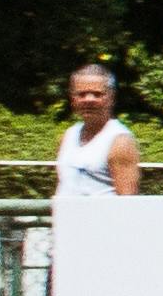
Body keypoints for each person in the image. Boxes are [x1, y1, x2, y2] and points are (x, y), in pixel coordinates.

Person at [52, 62, 141, 201]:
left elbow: (128, 203)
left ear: (111, 98)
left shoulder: (120, 141)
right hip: (66, 220)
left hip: (101, 221)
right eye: (82, 94)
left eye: (97, 94)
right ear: (72, 98)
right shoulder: (68, 135)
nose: (89, 100)